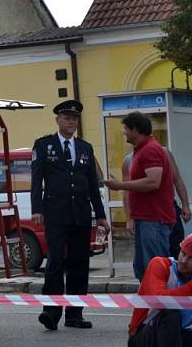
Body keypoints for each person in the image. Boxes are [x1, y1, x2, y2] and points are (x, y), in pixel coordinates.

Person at [30, 100, 108, 330]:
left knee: (79, 264)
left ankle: (75, 314)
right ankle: (51, 313)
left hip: (80, 215)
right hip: (55, 214)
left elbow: (93, 185)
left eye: (74, 118)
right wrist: (37, 209)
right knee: (54, 262)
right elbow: (37, 180)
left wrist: (101, 215)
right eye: (66, 118)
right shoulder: (44, 145)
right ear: (58, 120)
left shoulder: (85, 148)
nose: (71, 121)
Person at [104, 111, 176, 280]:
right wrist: (132, 217)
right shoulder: (141, 151)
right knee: (144, 269)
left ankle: (162, 305)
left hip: (155, 219)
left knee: (156, 269)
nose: (124, 132)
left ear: (136, 130)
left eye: (126, 129)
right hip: (146, 219)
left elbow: (153, 182)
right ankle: (150, 304)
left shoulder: (150, 150)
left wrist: (120, 185)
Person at [128, 233, 192, 347]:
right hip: (143, 335)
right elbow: (160, 301)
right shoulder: (160, 264)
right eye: (183, 253)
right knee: (171, 314)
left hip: (172, 336)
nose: (183, 260)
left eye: (191, 258)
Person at [123, 147, 192, 258]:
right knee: (152, 255)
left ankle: (176, 274)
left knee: (176, 250)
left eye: (127, 129)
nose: (125, 133)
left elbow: (177, 179)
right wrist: (129, 218)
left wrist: (185, 205)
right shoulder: (128, 160)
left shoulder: (164, 153)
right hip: (145, 215)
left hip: (168, 209)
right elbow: (127, 191)